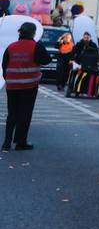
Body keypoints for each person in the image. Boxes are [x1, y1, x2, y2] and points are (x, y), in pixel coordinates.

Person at [3, 22, 51, 151]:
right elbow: (46, 60)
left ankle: (6, 142)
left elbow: (4, 65)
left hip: (12, 86)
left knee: (12, 113)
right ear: (33, 33)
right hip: (29, 86)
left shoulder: (11, 47)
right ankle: (20, 142)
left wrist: (8, 79)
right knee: (25, 113)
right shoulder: (36, 46)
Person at [67, 32, 99, 98]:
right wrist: (72, 59)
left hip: (91, 64)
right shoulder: (79, 44)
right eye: (85, 37)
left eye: (87, 38)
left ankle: (93, 91)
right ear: (83, 37)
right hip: (79, 63)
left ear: (90, 38)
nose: (86, 39)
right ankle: (74, 89)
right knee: (74, 74)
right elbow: (73, 52)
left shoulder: (93, 45)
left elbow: (96, 55)